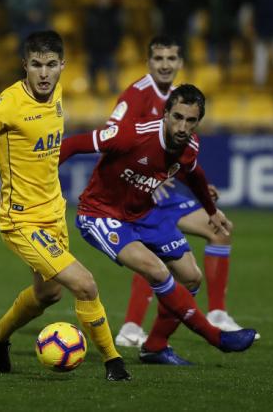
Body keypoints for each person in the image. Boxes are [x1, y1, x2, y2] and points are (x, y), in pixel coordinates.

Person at [0, 30, 131, 381]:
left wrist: (11, 182)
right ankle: (114, 363)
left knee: (48, 294)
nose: (44, 74)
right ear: (25, 66)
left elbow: (40, 152)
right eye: (35, 65)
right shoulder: (7, 105)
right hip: (22, 222)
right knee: (85, 284)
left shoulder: (57, 93)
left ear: (62, 65)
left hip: (54, 213)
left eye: (50, 65)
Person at [60, 84, 257, 364]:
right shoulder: (132, 134)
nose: (182, 126)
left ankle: (155, 346)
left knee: (191, 276)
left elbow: (193, 173)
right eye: (177, 117)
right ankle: (216, 337)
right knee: (156, 270)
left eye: (191, 121)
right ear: (165, 114)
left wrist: (211, 210)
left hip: (144, 213)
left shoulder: (189, 145)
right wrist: (32, 185)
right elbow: (71, 145)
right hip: (101, 214)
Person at [107, 36, 257, 351]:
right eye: (158, 59)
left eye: (170, 59)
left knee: (219, 231)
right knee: (155, 253)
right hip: (137, 193)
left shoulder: (180, 99)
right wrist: (142, 177)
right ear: (148, 62)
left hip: (166, 191)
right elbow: (111, 141)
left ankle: (216, 313)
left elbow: (179, 156)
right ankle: (132, 327)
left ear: (180, 63)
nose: (164, 65)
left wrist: (193, 183)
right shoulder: (136, 96)